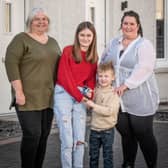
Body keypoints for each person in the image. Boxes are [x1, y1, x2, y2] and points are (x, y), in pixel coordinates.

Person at [101, 10, 159, 168]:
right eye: (125, 23)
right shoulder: (114, 42)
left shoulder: (144, 45)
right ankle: (128, 164)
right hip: (118, 99)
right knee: (126, 135)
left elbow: (144, 68)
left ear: (138, 26)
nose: (128, 26)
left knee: (143, 134)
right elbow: (104, 62)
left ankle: (151, 165)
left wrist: (125, 85)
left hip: (140, 97)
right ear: (121, 25)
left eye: (131, 24)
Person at [5, 7, 61, 168]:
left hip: (48, 96)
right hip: (27, 97)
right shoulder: (21, 39)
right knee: (32, 135)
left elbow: (60, 66)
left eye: (44, 19)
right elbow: (11, 64)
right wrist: (18, 91)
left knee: (43, 135)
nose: (41, 22)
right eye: (37, 19)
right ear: (30, 22)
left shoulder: (52, 42)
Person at [53, 21, 98, 168]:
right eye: (82, 35)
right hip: (64, 94)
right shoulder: (68, 51)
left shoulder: (93, 56)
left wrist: (89, 93)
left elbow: (91, 78)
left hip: (81, 96)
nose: (85, 38)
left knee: (79, 138)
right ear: (77, 36)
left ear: (93, 37)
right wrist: (81, 97)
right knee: (67, 139)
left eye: (89, 35)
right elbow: (64, 77)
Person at [84, 61, 120, 168]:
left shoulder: (114, 93)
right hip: (94, 129)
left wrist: (94, 106)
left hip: (107, 131)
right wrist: (88, 102)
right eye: (100, 76)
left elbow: (109, 111)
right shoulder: (95, 90)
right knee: (93, 156)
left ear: (113, 77)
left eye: (106, 76)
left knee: (107, 156)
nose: (103, 79)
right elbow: (89, 106)